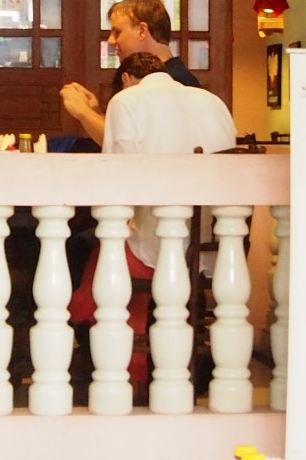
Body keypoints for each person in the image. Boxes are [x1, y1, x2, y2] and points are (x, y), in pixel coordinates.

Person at [67, 51, 236, 324]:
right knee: (112, 244)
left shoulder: (126, 100)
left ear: (125, 79)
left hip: (159, 247)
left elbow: (118, 183)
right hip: (215, 248)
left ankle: (107, 334)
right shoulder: (213, 102)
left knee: (108, 248)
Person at [59, 0, 201, 146]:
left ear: (142, 31)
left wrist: (83, 111)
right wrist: (95, 112)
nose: (110, 41)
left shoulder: (176, 82)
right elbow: (124, 131)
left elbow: (129, 146)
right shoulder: (145, 75)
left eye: (117, 32)